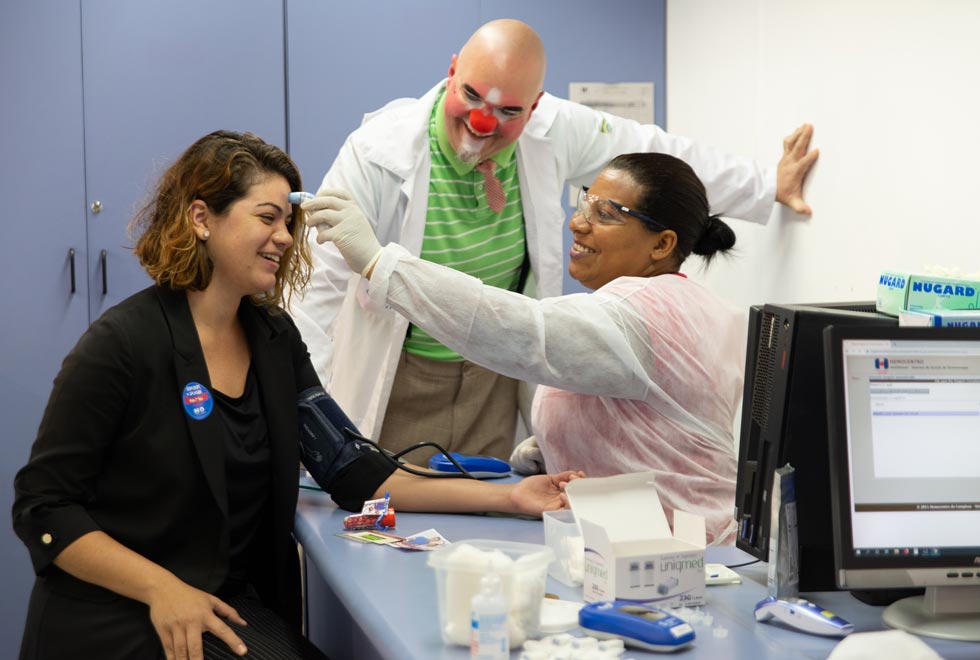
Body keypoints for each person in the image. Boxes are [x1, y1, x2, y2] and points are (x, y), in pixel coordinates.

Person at [11, 130, 581, 660]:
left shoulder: (273, 339)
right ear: (201, 218)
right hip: (124, 610)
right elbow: (44, 507)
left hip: (225, 605)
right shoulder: (123, 343)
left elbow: (353, 470)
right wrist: (161, 588)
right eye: (267, 218)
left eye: (289, 221)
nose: (285, 237)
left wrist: (509, 498)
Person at [290, 18, 818, 464]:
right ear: (451, 70)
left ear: (536, 105)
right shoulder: (377, 152)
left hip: (494, 379)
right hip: (401, 374)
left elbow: (654, 154)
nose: (481, 122)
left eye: (508, 112)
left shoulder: (556, 129)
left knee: (487, 528)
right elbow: (316, 293)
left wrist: (767, 186)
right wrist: (305, 419)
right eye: (471, 96)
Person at [304, 151, 748, 545]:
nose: (577, 222)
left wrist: (381, 265)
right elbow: (662, 416)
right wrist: (566, 438)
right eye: (584, 201)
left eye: (606, 213)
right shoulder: (686, 304)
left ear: (662, 244)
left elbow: (519, 330)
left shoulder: (643, 311)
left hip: (682, 554)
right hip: (646, 543)